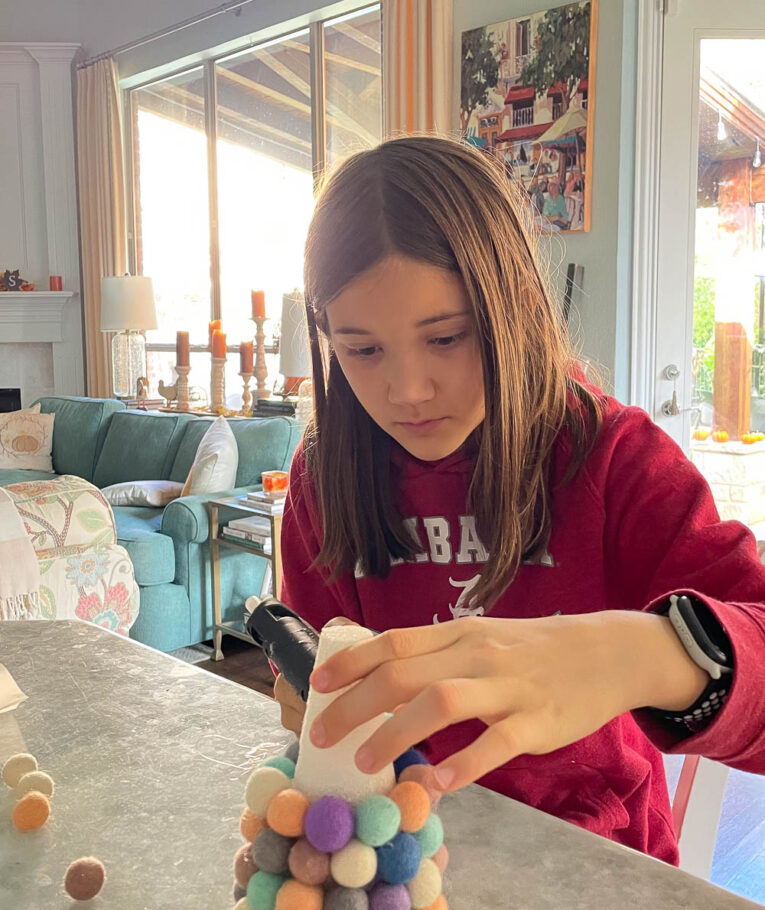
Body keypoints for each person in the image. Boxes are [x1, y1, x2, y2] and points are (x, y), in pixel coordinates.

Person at [273, 135, 765, 867]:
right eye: (362, 350)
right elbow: (313, 675)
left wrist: (643, 654)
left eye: (446, 337)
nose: (407, 391)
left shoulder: (612, 459)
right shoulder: (326, 474)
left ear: (512, 306)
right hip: (399, 857)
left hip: (595, 866)